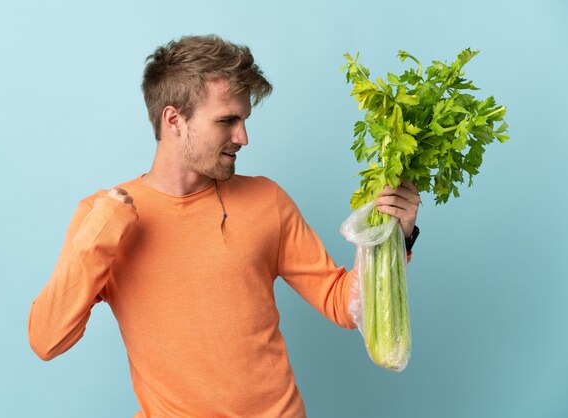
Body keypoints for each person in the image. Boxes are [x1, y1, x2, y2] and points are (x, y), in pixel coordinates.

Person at [28, 34, 421, 418]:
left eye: (245, 119)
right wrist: (101, 233)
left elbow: (344, 306)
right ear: (174, 120)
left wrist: (393, 237)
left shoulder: (267, 200)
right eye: (226, 121)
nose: (243, 137)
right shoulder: (102, 217)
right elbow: (47, 340)